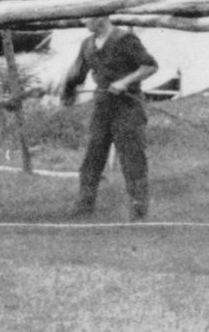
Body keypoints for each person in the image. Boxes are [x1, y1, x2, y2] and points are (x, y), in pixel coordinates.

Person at [61, 17, 158, 220]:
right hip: (102, 105)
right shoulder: (88, 43)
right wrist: (66, 89)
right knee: (93, 156)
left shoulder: (125, 39)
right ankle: (84, 205)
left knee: (132, 158)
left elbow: (149, 66)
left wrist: (125, 81)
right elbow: (77, 72)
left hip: (128, 107)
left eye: (86, 17)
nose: (81, 20)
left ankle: (138, 210)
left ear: (101, 17)